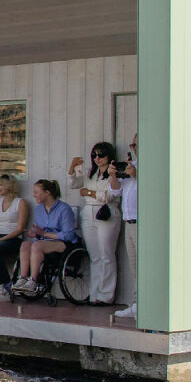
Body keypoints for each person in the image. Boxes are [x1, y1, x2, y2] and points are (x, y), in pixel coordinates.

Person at [68, 144, 122, 305]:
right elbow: (74, 184)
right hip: (88, 213)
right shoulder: (90, 174)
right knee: (95, 256)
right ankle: (95, 294)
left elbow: (110, 196)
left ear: (109, 156)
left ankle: (106, 295)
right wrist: (72, 167)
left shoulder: (114, 173)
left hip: (106, 213)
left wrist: (89, 193)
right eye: (95, 156)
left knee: (107, 254)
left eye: (101, 155)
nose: (97, 159)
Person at [10, 178, 78, 296]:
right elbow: (41, 233)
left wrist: (44, 234)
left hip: (63, 243)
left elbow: (68, 235)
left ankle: (34, 281)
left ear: (47, 193)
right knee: (26, 244)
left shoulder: (64, 209)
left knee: (37, 245)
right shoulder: (39, 209)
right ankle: (23, 278)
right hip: (44, 241)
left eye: (37, 192)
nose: (34, 195)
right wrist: (36, 234)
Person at [114, 134, 138, 319]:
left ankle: (144, 304)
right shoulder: (130, 167)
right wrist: (114, 174)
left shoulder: (148, 167)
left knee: (142, 265)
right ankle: (137, 303)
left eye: (136, 144)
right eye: (132, 144)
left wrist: (136, 175)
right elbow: (115, 190)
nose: (134, 147)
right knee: (134, 265)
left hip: (142, 222)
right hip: (128, 221)